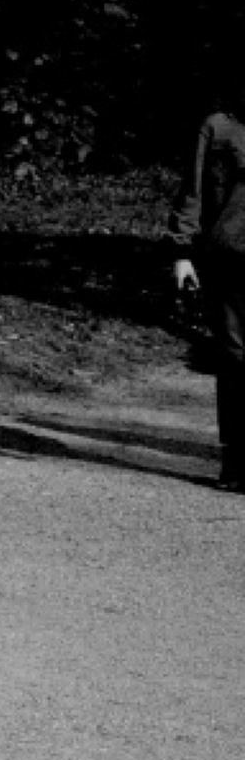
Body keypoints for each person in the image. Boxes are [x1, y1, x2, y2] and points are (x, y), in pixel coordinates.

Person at [168, 87, 245, 490]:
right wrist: (182, 251)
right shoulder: (218, 127)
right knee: (234, 357)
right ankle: (237, 460)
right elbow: (193, 189)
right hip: (230, 257)